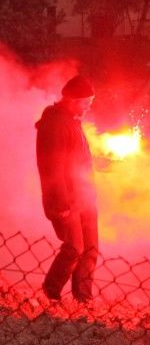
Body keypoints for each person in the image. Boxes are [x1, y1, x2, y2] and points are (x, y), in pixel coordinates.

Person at [35, 75, 99, 303]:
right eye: (86, 102)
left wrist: (101, 162)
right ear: (72, 100)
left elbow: (76, 160)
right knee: (74, 248)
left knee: (90, 250)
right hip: (68, 200)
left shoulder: (73, 121)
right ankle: (51, 291)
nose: (89, 107)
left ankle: (84, 299)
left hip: (85, 196)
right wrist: (60, 204)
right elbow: (53, 168)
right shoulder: (54, 124)